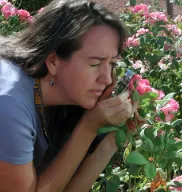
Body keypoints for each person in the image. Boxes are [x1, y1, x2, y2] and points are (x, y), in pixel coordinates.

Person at [0, 0, 137, 191]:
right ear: (54, 61)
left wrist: (111, 140)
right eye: (95, 64)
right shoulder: (8, 105)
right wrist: (88, 127)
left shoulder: (46, 96)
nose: (107, 79)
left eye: (112, 63)